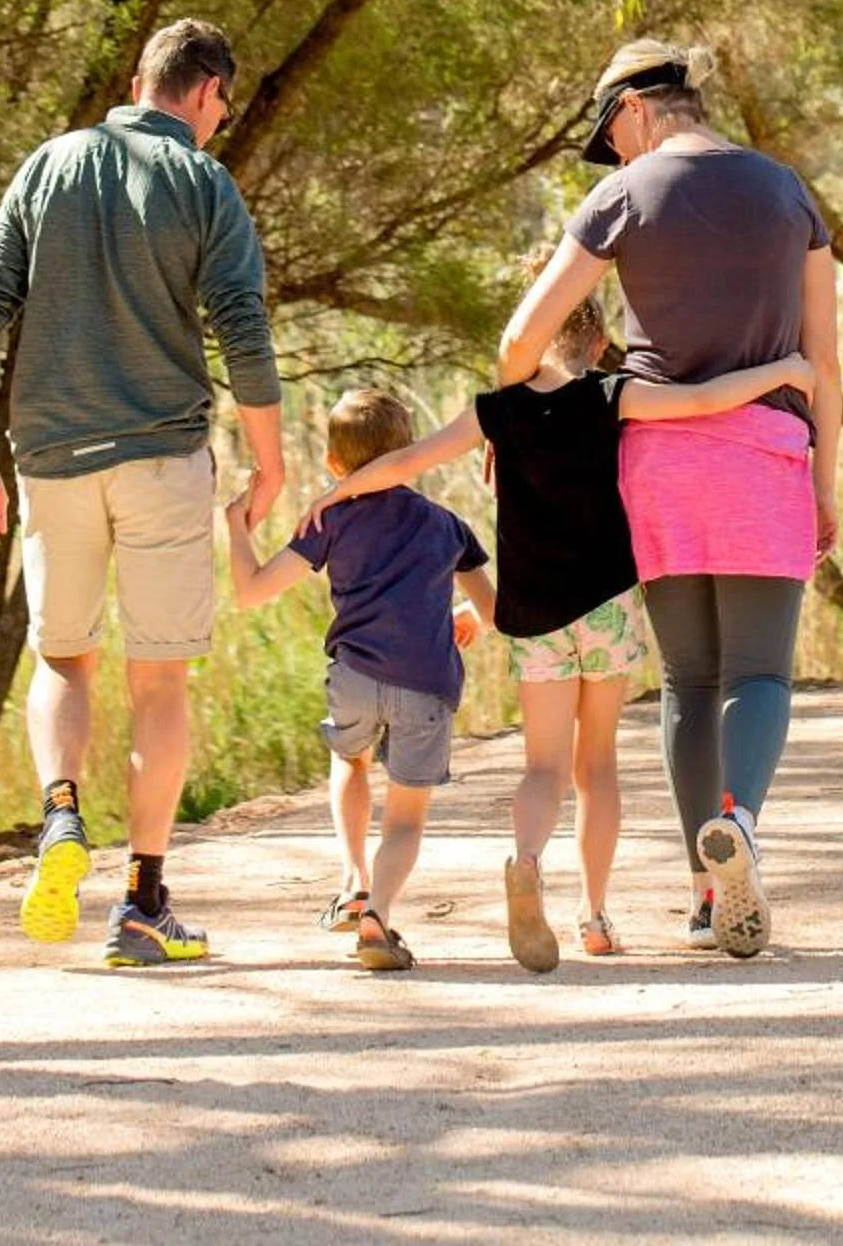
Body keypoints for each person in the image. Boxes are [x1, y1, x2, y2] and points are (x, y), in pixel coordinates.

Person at [302, 292, 813, 970]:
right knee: (595, 767)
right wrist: (784, 369)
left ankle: (528, 860)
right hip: (604, 608)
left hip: (532, 615)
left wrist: (336, 493)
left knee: (543, 768)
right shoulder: (612, 396)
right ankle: (595, 916)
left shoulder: (497, 411)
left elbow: (409, 462)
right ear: (600, 340)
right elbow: (701, 399)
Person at [0, 18, 286, 969]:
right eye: (226, 104)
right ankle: (141, 901)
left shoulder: (48, 164)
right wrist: (271, 458)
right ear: (208, 91)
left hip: (50, 457)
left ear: (142, 79)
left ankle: (60, 818)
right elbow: (241, 329)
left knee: (63, 659)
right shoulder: (203, 182)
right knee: (159, 680)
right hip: (161, 459)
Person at [498, 39, 839, 958]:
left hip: (658, 464)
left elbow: (519, 344)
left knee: (690, 681)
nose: (613, 157)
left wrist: (546, 434)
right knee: (760, 675)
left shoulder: (619, 199)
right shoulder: (787, 193)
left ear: (635, 112)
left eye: (610, 137)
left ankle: (702, 896)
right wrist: (827, 480)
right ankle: (743, 828)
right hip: (767, 450)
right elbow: (825, 360)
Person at [226, 388, 495, 971]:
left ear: (333, 463)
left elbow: (251, 593)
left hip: (355, 676)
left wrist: (235, 526)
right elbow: (495, 612)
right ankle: (379, 915)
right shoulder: (447, 526)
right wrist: (463, 614)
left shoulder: (331, 519)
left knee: (349, 759)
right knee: (405, 819)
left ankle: (352, 880)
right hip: (427, 685)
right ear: (410, 453)